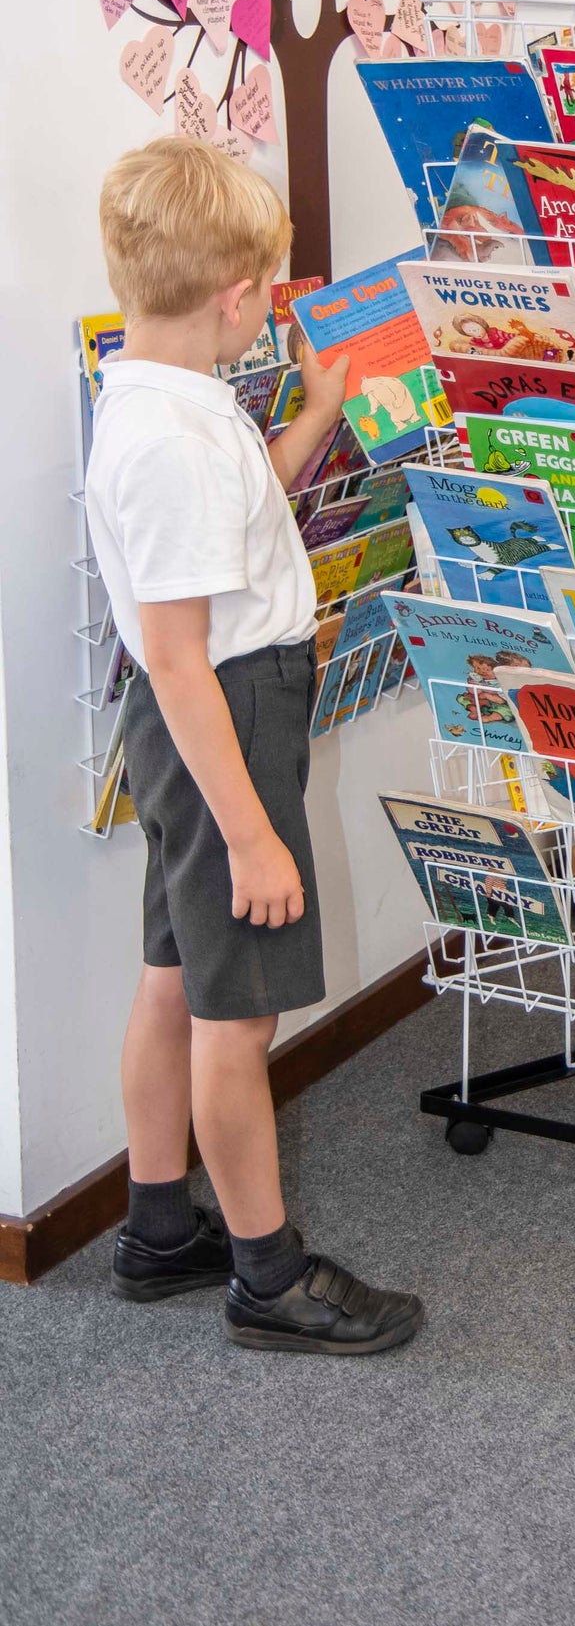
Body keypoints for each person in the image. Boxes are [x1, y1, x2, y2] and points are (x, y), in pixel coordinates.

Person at [88, 138, 424, 1353]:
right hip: (223, 722)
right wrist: (251, 837)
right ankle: (266, 1277)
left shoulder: (171, 399)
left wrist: (319, 420)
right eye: (269, 288)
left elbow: (237, 542)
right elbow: (180, 658)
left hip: (207, 719)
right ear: (236, 296)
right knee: (240, 1020)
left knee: (178, 981)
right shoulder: (172, 442)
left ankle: (155, 1225)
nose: (273, 304)